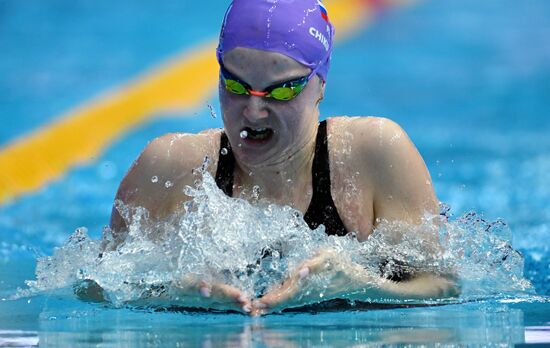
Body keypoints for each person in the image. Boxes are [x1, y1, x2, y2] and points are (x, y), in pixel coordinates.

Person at [106, 0, 459, 315]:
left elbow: (444, 288)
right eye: (235, 86)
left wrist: (358, 283)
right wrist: (166, 293)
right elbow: (91, 287)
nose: (255, 111)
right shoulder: (168, 167)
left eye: (282, 90)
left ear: (320, 85)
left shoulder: (374, 153)